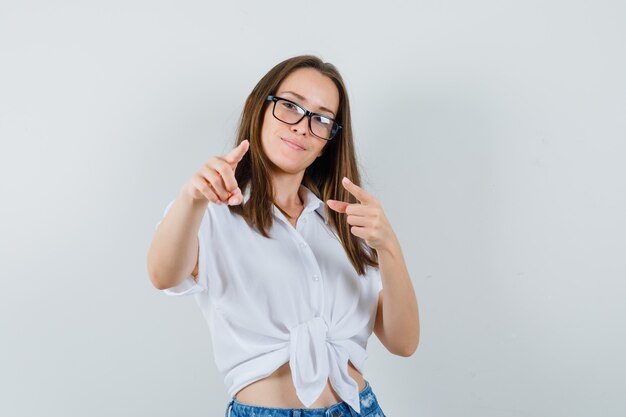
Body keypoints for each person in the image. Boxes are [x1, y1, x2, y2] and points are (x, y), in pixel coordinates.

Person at [147, 55, 420, 417]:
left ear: (327, 142)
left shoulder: (341, 221)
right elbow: (163, 275)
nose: (303, 126)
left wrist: (389, 245)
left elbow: (403, 343)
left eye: (321, 118)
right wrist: (191, 198)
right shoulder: (211, 211)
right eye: (290, 106)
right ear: (260, 109)